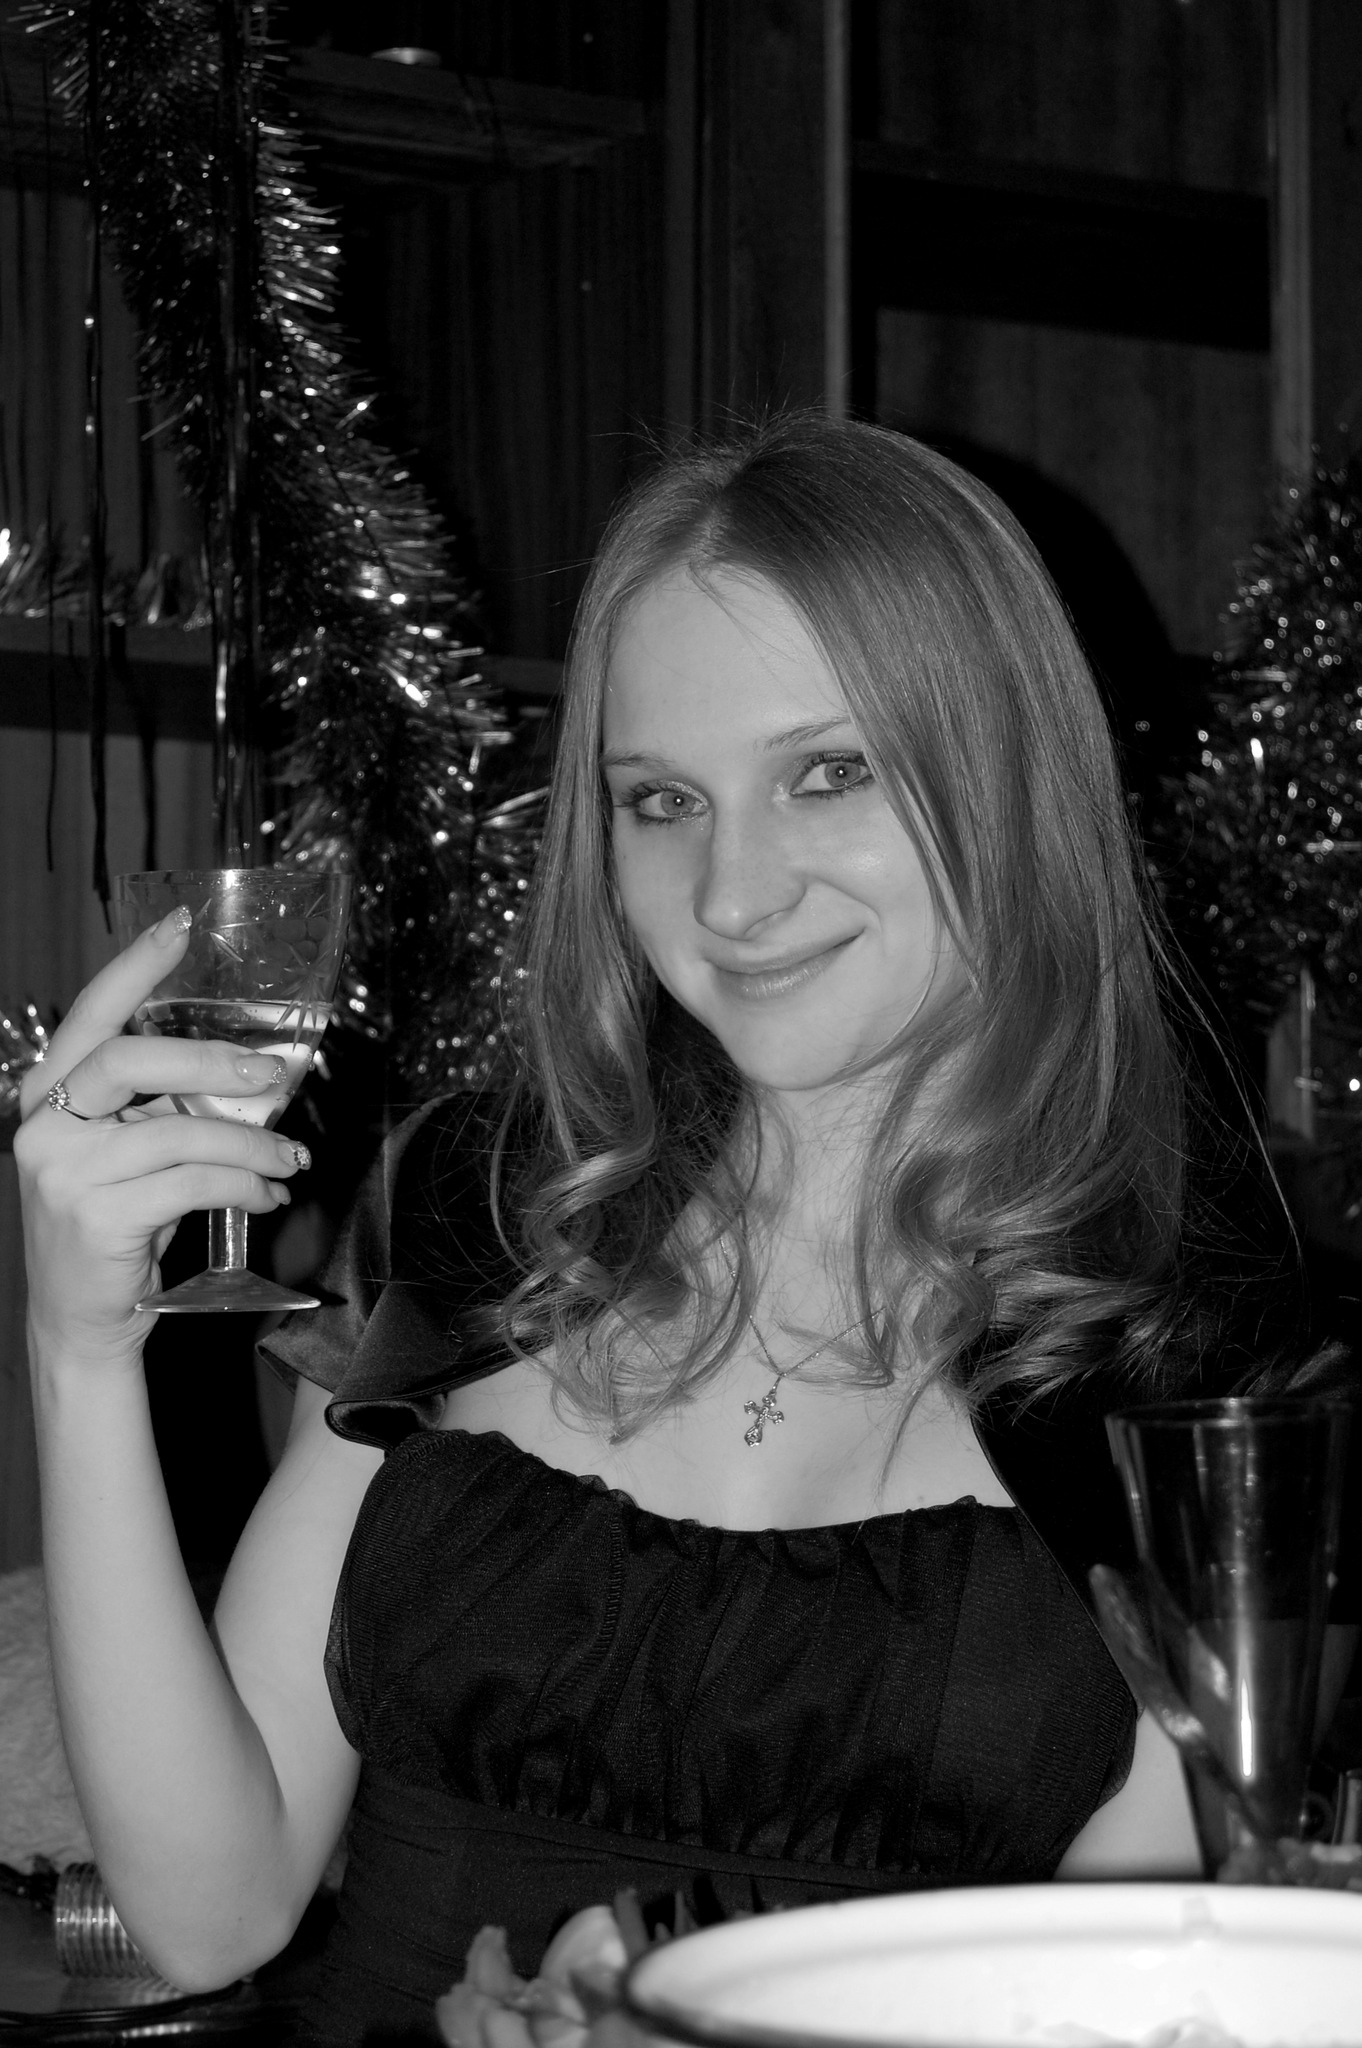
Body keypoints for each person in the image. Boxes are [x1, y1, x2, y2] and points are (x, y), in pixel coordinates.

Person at [18, 415, 1297, 2045]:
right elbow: (212, 1909)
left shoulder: (1198, 1374)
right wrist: (79, 1352)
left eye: (827, 773)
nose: (731, 894)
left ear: (1008, 778)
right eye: (660, 800)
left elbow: (1161, 2005)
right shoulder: (484, 1205)